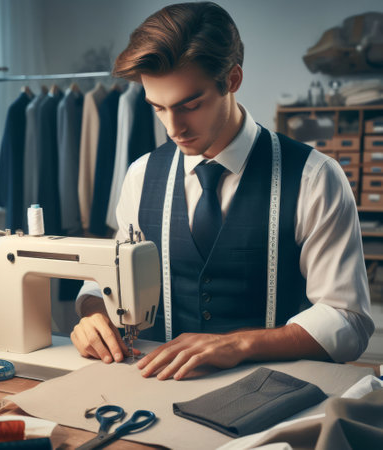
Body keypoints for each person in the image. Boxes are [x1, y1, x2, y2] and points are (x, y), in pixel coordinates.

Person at [71, 1, 374, 381]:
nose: (173, 128)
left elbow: (348, 320)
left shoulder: (316, 178)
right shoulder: (140, 175)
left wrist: (242, 343)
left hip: (273, 398)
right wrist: (94, 315)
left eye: (189, 105)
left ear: (232, 80)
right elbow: (108, 280)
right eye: (158, 108)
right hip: (155, 389)